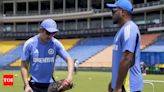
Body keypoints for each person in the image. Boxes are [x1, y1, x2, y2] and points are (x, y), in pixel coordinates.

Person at [20, 18, 74, 92]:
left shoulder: (56, 43)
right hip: (33, 85)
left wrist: (69, 77)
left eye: (53, 33)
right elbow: (23, 66)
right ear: (41, 30)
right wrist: (26, 85)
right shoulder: (29, 44)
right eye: (48, 33)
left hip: (50, 86)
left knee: (70, 85)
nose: (50, 36)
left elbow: (69, 60)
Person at [106, 0, 143, 92]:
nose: (111, 14)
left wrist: (118, 87)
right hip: (122, 85)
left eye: (113, 11)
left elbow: (127, 58)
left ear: (123, 12)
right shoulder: (123, 30)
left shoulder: (129, 29)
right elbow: (120, 59)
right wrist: (113, 82)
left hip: (128, 87)